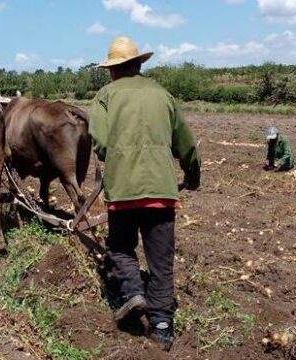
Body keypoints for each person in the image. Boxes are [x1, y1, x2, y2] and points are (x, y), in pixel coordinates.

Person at [89, 36, 201, 352]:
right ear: (139, 65)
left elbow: (99, 141)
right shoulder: (163, 95)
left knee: (121, 247)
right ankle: (163, 327)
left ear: (112, 70)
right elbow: (186, 144)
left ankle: (134, 293)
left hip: (123, 191)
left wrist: (116, 158)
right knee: (161, 261)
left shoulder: (105, 96)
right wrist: (192, 177)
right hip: (162, 192)